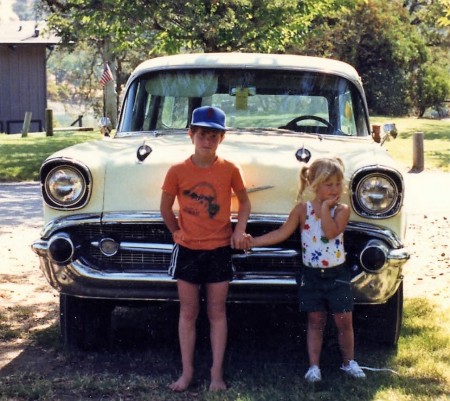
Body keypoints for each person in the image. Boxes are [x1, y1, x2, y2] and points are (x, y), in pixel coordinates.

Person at [241, 157, 365, 382]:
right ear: (315, 185)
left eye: (338, 184)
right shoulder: (302, 210)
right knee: (315, 321)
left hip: (338, 274)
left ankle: (349, 362)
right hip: (312, 275)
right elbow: (281, 233)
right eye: (329, 184)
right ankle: (314, 367)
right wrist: (254, 241)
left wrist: (326, 208)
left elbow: (329, 232)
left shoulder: (342, 210)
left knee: (344, 321)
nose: (335, 189)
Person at [160, 106, 251, 392]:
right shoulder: (177, 170)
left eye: (213, 135)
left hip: (219, 250)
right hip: (187, 250)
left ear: (221, 138)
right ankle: (186, 374)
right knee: (187, 313)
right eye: (202, 134)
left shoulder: (229, 169)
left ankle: (216, 376)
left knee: (217, 312)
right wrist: (176, 231)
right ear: (191, 135)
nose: (207, 140)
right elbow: (164, 206)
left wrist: (239, 229)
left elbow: (245, 202)